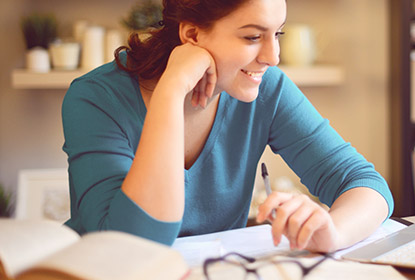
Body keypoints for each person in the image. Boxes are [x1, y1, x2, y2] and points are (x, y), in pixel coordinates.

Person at [61, 0, 393, 253]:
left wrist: (332, 232)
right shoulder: (95, 98)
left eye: (277, 33)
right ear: (191, 35)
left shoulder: (268, 88)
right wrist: (172, 90)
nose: (272, 56)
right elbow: (129, 247)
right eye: (252, 36)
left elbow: (365, 184)